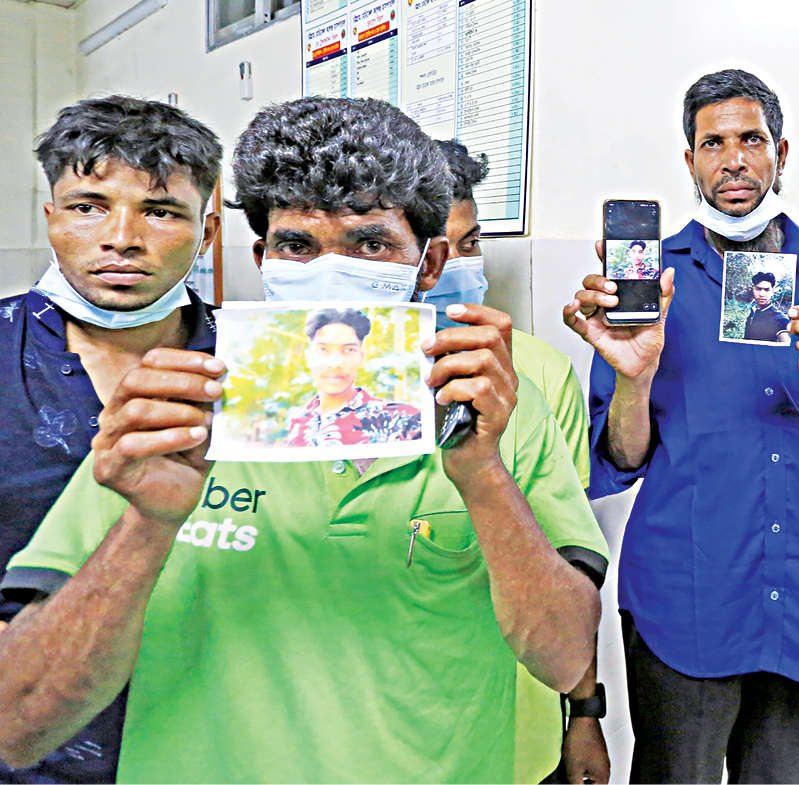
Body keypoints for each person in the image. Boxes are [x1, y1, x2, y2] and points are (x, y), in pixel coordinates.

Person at [0, 97, 607, 784]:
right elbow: (20, 724)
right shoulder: (173, 406)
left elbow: (565, 657)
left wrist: (481, 473)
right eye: (297, 246)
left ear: (429, 262)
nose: (331, 271)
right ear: (262, 257)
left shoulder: (500, 411)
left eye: (370, 244)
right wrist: (148, 524)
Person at [565, 69, 799, 783]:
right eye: (713, 144)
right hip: (684, 593)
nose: (734, 159)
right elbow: (620, 458)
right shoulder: (650, 283)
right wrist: (634, 376)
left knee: (778, 771)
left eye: (752, 139)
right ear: (690, 161)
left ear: (782, 152)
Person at [0, 96, 221, 784]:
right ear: (51, 217)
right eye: (89, 206)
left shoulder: (257, 368)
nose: (122, 237)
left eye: (161, 211)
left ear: (207, 232)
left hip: (211, 739)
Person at [426, 138, 610, 784]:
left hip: (519, 720)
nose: (456, 266)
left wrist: (584, 712)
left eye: (471, 243)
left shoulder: (538, 374)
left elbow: (571, 557)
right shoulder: (341, 390)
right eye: (436, 249)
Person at [284, 308, 422, 447]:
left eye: (349, 350)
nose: (335, 363)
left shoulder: (402, 419)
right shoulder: (298, 419)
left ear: (361, 357)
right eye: (323, 349)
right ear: (308, 357)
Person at [742, 270, 788, 341]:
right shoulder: (753, 310)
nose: (762, 294)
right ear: (753, 290)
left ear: (772, 292)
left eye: (767, 290)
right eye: (758, 289)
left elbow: (786, 342)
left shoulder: (781, 318)